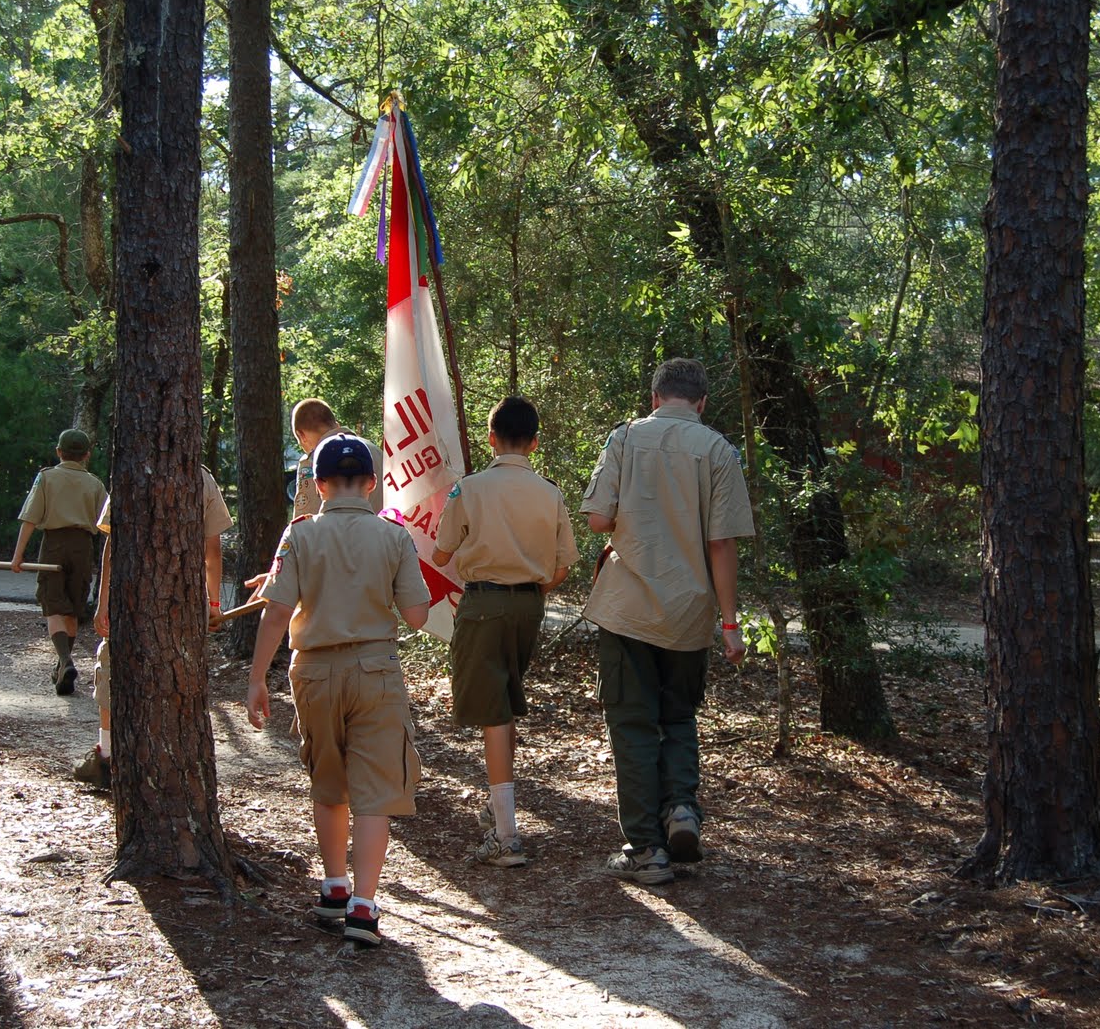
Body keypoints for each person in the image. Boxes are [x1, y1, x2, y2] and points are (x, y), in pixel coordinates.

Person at [246, 435, 431, 947]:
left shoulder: (299, 534)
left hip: (314, 672)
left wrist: (257, 677)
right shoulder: (393, 537)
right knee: (375, 791)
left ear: (318, 484)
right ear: (372, 484)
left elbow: (277, 610)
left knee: (328, 780)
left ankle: (332, 888)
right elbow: (417, 615)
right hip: (376, 671)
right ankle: (364, 908)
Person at [580, 358, 754, 885]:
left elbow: (597, 518)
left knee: (632, 725)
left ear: (655, 398)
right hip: (688, 611)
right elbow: (721, 543)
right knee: (678, 717)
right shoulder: (719, 451)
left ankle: (645, 850)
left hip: (626, 607)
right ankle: (680, 809)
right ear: (701, 402)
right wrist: (730, 624)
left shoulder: (625, 439)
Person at [431, 395, 578, 868]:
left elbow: (439, 554)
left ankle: (507, 835)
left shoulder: (469, 489)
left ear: (490, 438)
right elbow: (560, 568)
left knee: (493, 713)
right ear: (534, 443)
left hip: (484, 604)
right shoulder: (549, 493)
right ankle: (499, 810)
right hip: (529, 607)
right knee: (505, 705)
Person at [74, 465, 233, 788]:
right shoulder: (201, 477)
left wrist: (105, 601)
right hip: (185, 598)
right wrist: (213, 603)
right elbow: (212, 548)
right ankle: (174, 759)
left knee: (114, 664)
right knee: (180, 673)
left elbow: (112, 544)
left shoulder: (132, 466)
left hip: (133, 593)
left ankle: (107, 754)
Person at [10, 429, 108, 695]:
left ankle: (65, 661)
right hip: (83, 547)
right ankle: (62, 665)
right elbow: (106, 526)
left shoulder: (47, 478)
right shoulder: (95, 484)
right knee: (73, 608)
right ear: (87, 455)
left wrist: (18, 555)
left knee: (53, 605)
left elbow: (30, 517)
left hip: (54, 545)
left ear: (59, 452)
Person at [290, 397, 383, 517]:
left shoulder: (313, 461)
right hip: (383, 532)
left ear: (301, 435)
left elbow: (305, 520)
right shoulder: (376, 451)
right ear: (336, 424)